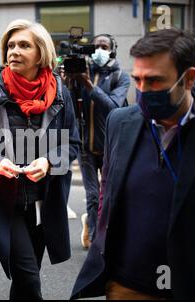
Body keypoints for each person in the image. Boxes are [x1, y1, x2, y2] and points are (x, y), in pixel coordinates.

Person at [72, 28, 195, 300]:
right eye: (137, 79)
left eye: (154, 81)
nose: (142, 91)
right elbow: (109, 195)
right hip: (127, 286)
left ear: (189, 79)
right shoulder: (120, 122)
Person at [0, 19, 79, 300]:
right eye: (10, 45)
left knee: (27, 276)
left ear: (41, 54)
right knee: (29, 277)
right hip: (3, 201)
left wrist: (48, 162)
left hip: (42, 201)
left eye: (24, 45)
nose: (14, 51)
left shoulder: (61, 94)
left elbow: (72, 143)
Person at [69, 34, 130, 250]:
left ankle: (105, 232)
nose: (99, 50)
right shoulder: (82, 72)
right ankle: (96, 239)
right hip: (85, 146)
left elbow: (114, 106)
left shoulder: (120, 76)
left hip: (110, 147)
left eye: (104, 46)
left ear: (112, 49)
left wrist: (88, 86)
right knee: (93, 196)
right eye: (95, 46)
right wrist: (69, 81)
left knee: (109, 195)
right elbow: (68, 104)